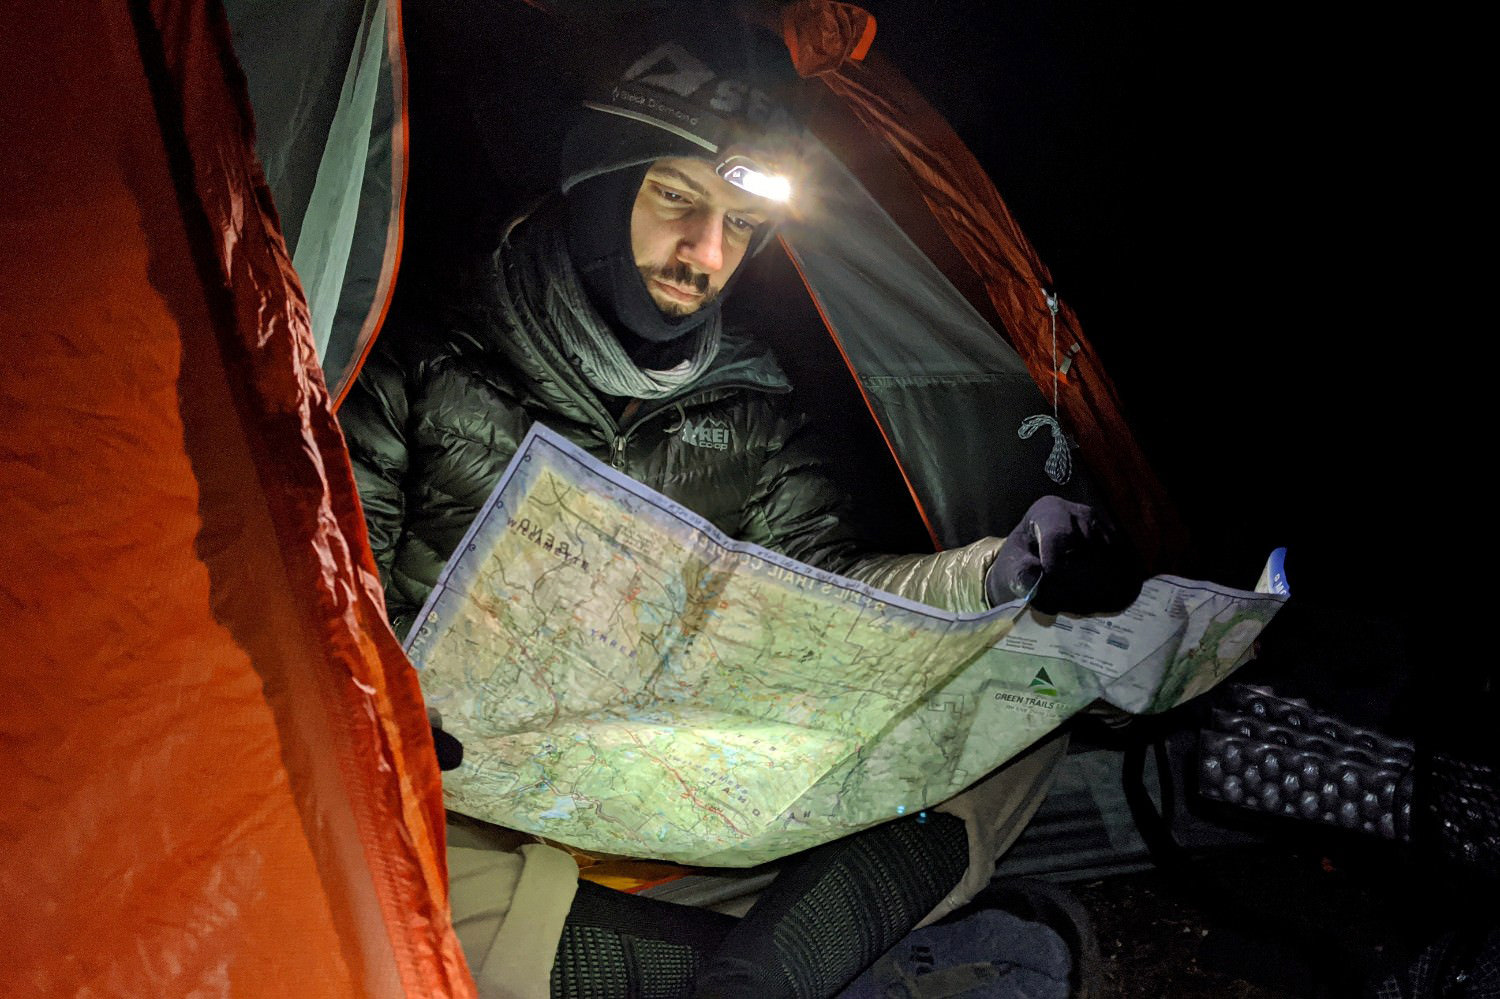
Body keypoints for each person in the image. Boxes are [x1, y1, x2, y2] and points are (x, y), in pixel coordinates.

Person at [339, 13, 1138, 999]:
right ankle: (824, 969)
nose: (705, 251)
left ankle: (751, 976)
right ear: (596, 185)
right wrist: (395, 706)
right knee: (357, 871)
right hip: (489, 814)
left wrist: (993, 571)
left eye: (741, 225)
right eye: (676, 199)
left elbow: (834, 591)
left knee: (1021, 701)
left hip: (683, 802)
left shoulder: (750, 402)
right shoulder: (419, 364)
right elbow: (326, 607)